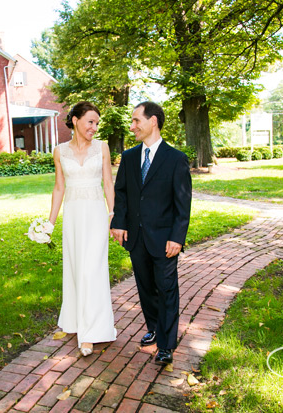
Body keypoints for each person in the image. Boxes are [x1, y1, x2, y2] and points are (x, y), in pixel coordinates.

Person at [110, 101, 192, 365]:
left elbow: (182, 203)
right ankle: (155, 329)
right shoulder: (130, 157)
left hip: (165, 239)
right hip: (136, 237)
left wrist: (177, 237)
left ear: (153, 121)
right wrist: (118, 222)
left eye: (136, 120)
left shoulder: (176, 159)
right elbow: (121, 193)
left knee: (166, 289)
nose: (132, 126)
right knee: (146, 288)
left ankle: (167, 345)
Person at [49, 101, 117, 356]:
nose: (94, 127)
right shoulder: (59, 151)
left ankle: (90, 333)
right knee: (77, 270)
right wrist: (50, 223)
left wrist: (114, 216)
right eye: (90, 122)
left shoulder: (102, 148)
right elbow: (59, 188)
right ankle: (78, 322)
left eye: (96, 123)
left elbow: (108, 184)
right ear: (75, 120)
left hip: (97, 215)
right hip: (73, 216)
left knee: (92, 271)